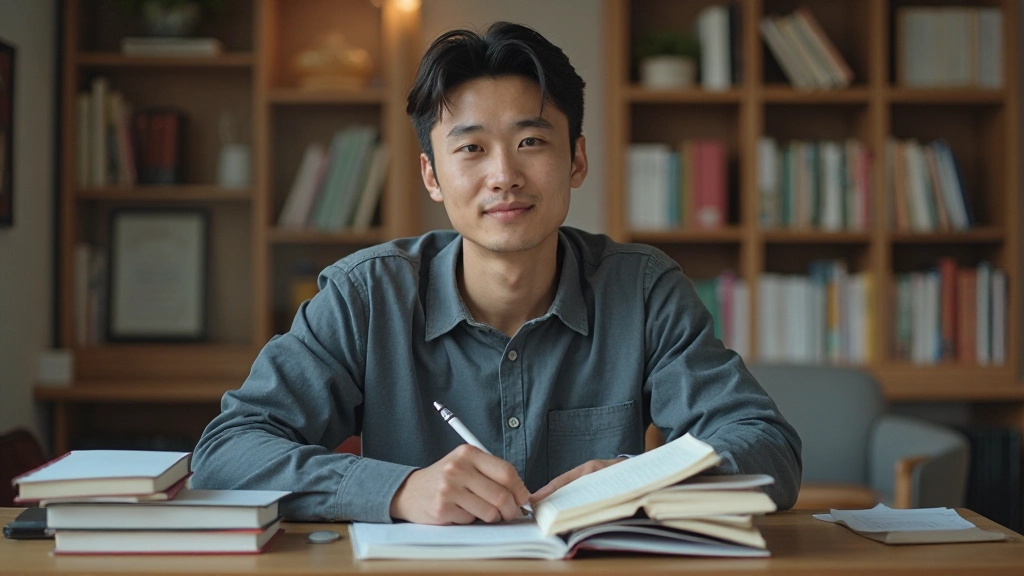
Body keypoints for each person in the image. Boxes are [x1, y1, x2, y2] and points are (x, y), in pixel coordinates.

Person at [191, 22, 801, 525]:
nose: (504, 174)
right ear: (432, 176)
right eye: (471, 148)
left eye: (531, 141)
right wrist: (399, 491)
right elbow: (227, 451)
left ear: (577, 159)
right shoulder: (366, 294)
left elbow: (767, 446)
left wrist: (650, 482)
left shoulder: (642, 289)